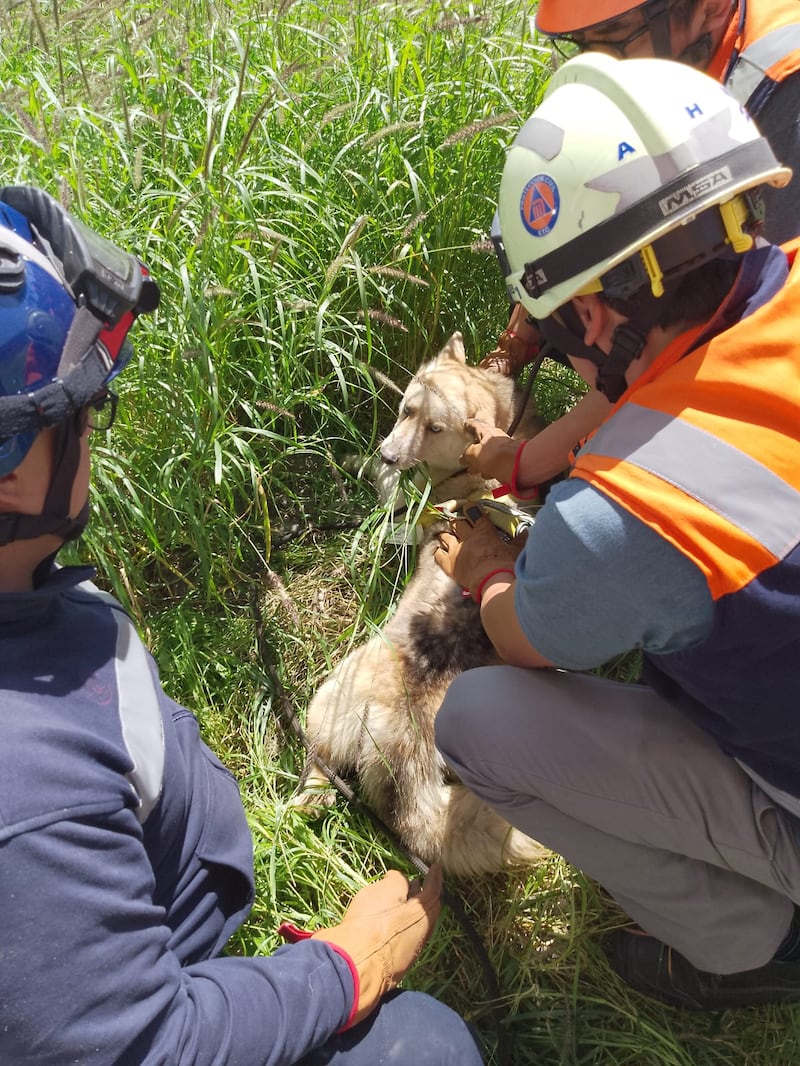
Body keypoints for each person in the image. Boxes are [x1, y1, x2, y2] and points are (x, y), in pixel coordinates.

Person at [0, 185, 485, 1065]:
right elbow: (148, 1045)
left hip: (147, 928)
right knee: (430, 1045)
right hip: (169, 991)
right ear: (9, 477)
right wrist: (347, 965)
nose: (95, 433)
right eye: (81, 414)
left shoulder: (30, 595)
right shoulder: (28, 794)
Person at [433, 52, 800, 1010]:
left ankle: (752, 942)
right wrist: (525, 459)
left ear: (592, 313)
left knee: (480, 722)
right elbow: (654, 389)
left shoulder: (630, 509)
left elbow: (522, 637)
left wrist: (486, 568)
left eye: (556, 322)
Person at [482, 0, 800, 483]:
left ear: (710, 8)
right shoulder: (669, 57)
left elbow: (695, 343)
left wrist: (529, 464)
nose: (596, 59)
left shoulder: (783, 94)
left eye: (613, 32)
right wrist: (520, 336)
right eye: (580, 43)